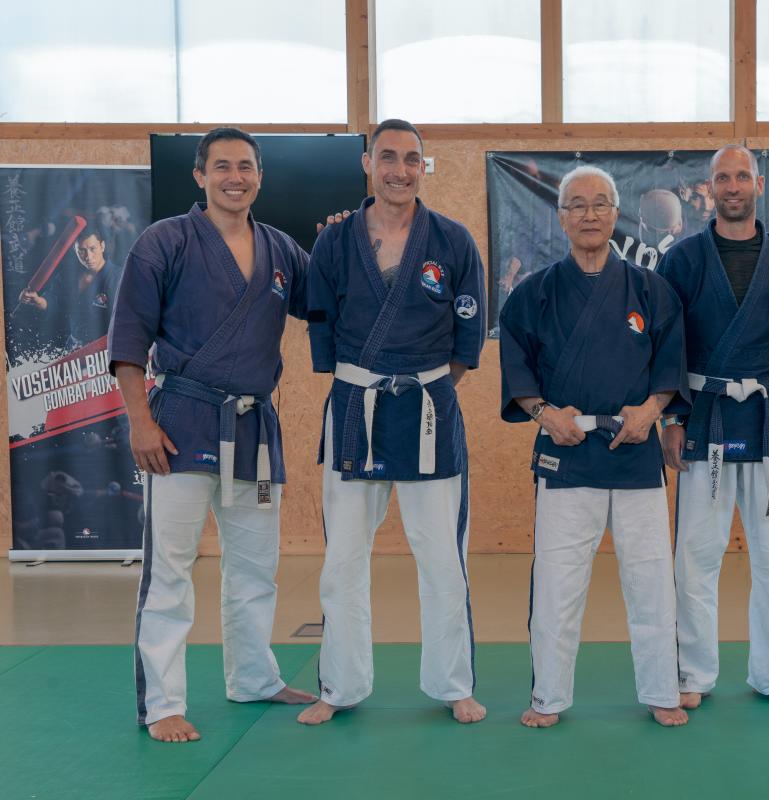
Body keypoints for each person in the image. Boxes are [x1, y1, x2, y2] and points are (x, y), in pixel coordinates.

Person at [109, 127, 316, 743]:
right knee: (170, 571)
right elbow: (129, 340)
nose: (235, 177)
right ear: (200, 175)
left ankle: (253, 677)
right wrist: (140, 421)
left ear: (260, 177)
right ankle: (162, 704)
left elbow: (327, 301)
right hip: (180, 423)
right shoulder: (164, 241)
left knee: (255, 568)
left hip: (253, 428)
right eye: (222, 166)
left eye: (245, 166)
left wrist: (342, 241)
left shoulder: (281, 250)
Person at [298, 119, 487, 726]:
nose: (399, 170)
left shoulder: (453, 241)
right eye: (387, 157)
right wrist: (367, 383)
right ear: (367, 163)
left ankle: (454, 684)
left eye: (411, 159)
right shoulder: (334, 242)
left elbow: (467, 339)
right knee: (343, 559)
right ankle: (339, 686)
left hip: (428, 407)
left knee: (443, 557)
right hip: (356, 406)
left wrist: (423, 388)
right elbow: (323, 327)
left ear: (422, 166)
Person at [499, 165, 689, 728]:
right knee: (557, 584)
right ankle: (548, 697)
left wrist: (651, 411)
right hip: (566, 451)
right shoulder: (533, 292)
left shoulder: (651, 289)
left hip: (635, 452)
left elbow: (670, 365)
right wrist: (543, 413)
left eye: (600, 204)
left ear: (616, 214)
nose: (589, 214)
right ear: (561, 217)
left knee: (651, 581)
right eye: (577, 205)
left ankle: (662, 691)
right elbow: (518, 369)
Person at [657, 145, 769, 710]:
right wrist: (672, 416)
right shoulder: (683, 259)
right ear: (709, 188)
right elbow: (665, 345)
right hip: (704, 415)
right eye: (722, 177)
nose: (732, 186)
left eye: (741, 176)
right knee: (696, 556)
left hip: (767, 418)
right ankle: (694, 673)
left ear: (758, 184)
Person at [21, 227, 123, 348]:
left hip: (105, 349)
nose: (88, 257)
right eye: (82, 250)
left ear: (102, 246)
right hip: (73, 347)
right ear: (75, 250)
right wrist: (38, 300)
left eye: (92, 249)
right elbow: (53, 299)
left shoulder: (120, 278)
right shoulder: (69, 276)